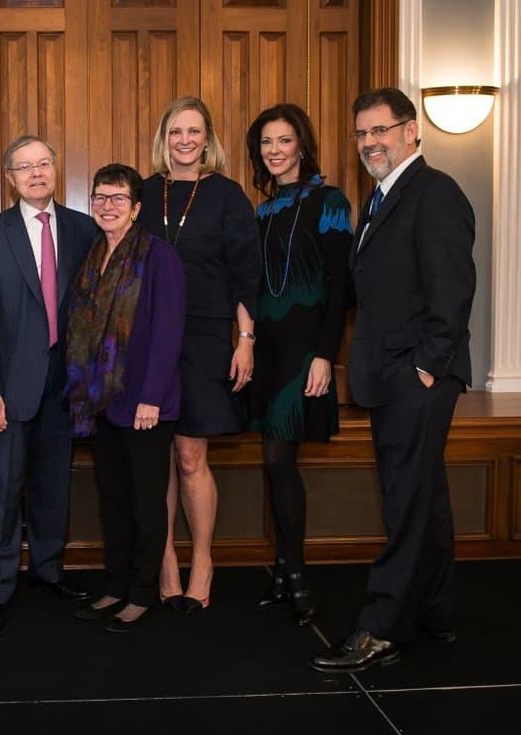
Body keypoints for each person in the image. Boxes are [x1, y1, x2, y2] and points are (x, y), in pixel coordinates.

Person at [310, 88, 476, 673]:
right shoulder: (378, 199)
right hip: (393, 374)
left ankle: (380, 628)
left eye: (381, 130)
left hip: (418, 375)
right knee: (423, 497)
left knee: (405, 500)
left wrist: (427, 367)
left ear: (411, 132)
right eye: (361, 133)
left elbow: (452, 290)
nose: (370, 142)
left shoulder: (435, 194)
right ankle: (435, 612)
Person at [0, 134, 96, 636]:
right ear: (9, 178)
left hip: (66, 385)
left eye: (44, 163)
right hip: (9, 385)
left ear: (56, 169)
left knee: (52, 484)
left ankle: (48, 570)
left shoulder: (84, 229)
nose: (37, 173)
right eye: (25, 166)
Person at [138, 97, 261, 612]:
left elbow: (245, 272)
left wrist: (246, 339)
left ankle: (203, 561)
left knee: (191, 455)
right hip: (146, 338)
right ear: (163, 138)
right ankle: (165, 559)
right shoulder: (143, 191)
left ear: (208, 139)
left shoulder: (228, 195)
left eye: (195, 132)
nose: (185, 141)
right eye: (176, 132)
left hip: (208, 335)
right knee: (157, 456)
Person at [245, 103, 352, 626]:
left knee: (278, 459)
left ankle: (297, 573)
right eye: (266, 142)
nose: (275, 150)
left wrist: (326, 356)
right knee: (273, 462)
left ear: (301, 145)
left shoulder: (330, 201)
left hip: (304, 350)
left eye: (284, 140)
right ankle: (284, 570)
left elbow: (340, 286)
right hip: (265, 350)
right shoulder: (260, 211)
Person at [67, 164, 185, 632]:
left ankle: (141, 592)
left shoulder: (159, 257)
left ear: (137, 208)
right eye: (100, 197)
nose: (108, 206)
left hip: (144, 404)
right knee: (112, 498)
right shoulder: (92, 254)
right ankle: (115, 584)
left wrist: (151, 398)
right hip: (101, 403)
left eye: (118, 198)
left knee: (146, 502)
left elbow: (168, 333)